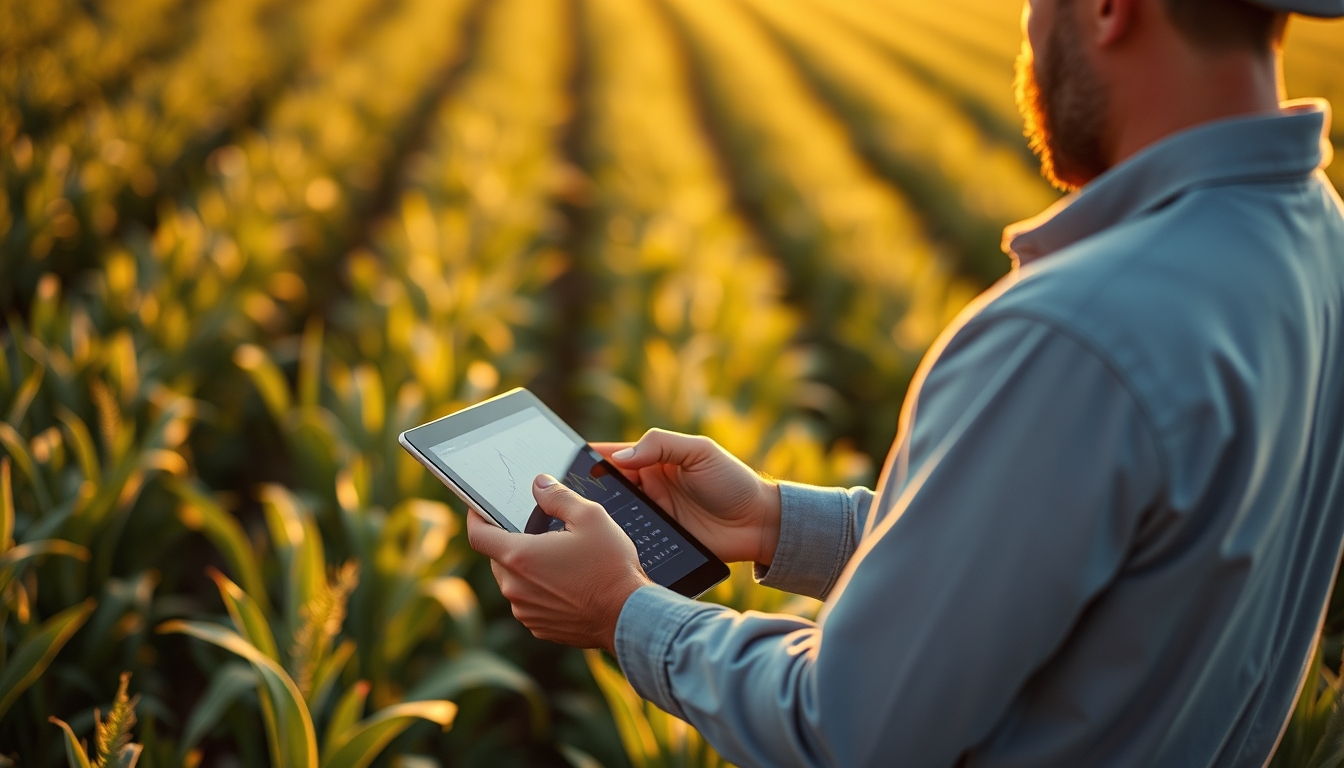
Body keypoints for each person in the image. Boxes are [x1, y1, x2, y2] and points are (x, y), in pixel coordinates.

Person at [467, 0, 1344, 763]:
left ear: (1111, 6)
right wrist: (773, 520)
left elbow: (847, 732)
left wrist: (624, 610)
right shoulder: (1317, 244)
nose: (1030, 32)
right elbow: (1072, 573)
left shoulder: (1076, 332)